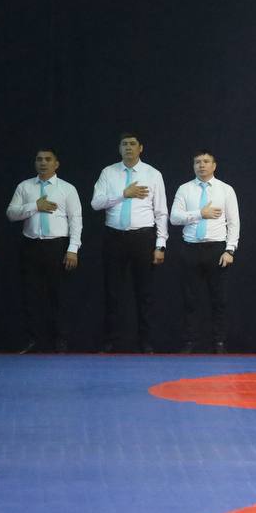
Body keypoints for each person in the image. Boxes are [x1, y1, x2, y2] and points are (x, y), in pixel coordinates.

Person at [90, 132, 169, 353]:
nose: (128, 147)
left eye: (132, 144)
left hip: (143, 238)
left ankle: (145, 342)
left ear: (140, 148)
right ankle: (111, 341)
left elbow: (161, 212)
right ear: (119, 148)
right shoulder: (108, 172)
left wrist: (160, 244)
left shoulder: (153, 174)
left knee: (144, 293)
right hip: (114, 237)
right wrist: (123, 194)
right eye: (124, 144)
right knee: (112, 292)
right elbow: (95, 203)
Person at [5, 148, 82, 354]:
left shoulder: (67, 188)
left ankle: (60, 340)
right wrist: (35, 206)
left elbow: (76, 220)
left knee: (59, 295)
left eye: (48, 159)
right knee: (31, 295)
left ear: (56, 164)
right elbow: (11, 214)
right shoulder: (25, 186)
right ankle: (33, 339)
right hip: (30, 246)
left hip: (57, 246)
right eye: (39, 159)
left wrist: (73, 249)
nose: (43, 163)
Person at [170, 150, 240, 353]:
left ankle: (219, 342)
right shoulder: (184, 189)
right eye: (197, 162)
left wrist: (230, 250)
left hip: (217, 249)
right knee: (190, 299)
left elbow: (234, 222)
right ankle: (190, 342)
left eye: (206, 161)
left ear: (214, 165)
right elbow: (174, 218)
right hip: (190, 248)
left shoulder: (225, 189)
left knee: (219, 299)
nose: (201, 165)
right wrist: (200, 213)